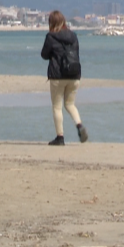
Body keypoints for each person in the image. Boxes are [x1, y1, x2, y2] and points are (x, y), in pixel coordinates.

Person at [41, 10, 88, 146]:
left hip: (57, 76)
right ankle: (79, 125)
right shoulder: (73, 36)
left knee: (57, 107)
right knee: (70, 104)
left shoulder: (51, 36)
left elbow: (44, 54)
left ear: (51, 22)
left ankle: (60, 138)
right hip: (74, 74)